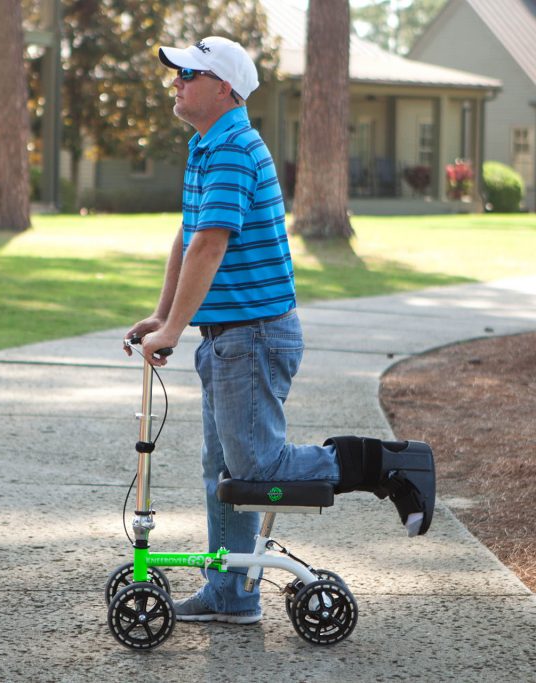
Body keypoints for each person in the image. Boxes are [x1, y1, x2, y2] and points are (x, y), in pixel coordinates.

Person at [123, 36, 436, 625]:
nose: (175, 82)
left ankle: (392, 466)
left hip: (253, 336)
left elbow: (211, 244)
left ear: (226, 89)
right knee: (228, 473)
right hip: (229, 337)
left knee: (257, 471)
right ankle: (232, 594)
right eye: (176, 73)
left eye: (188, 73)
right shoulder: (206, 146)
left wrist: (174, 328)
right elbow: (189, 238)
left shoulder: (235, 147)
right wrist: (165, 319)